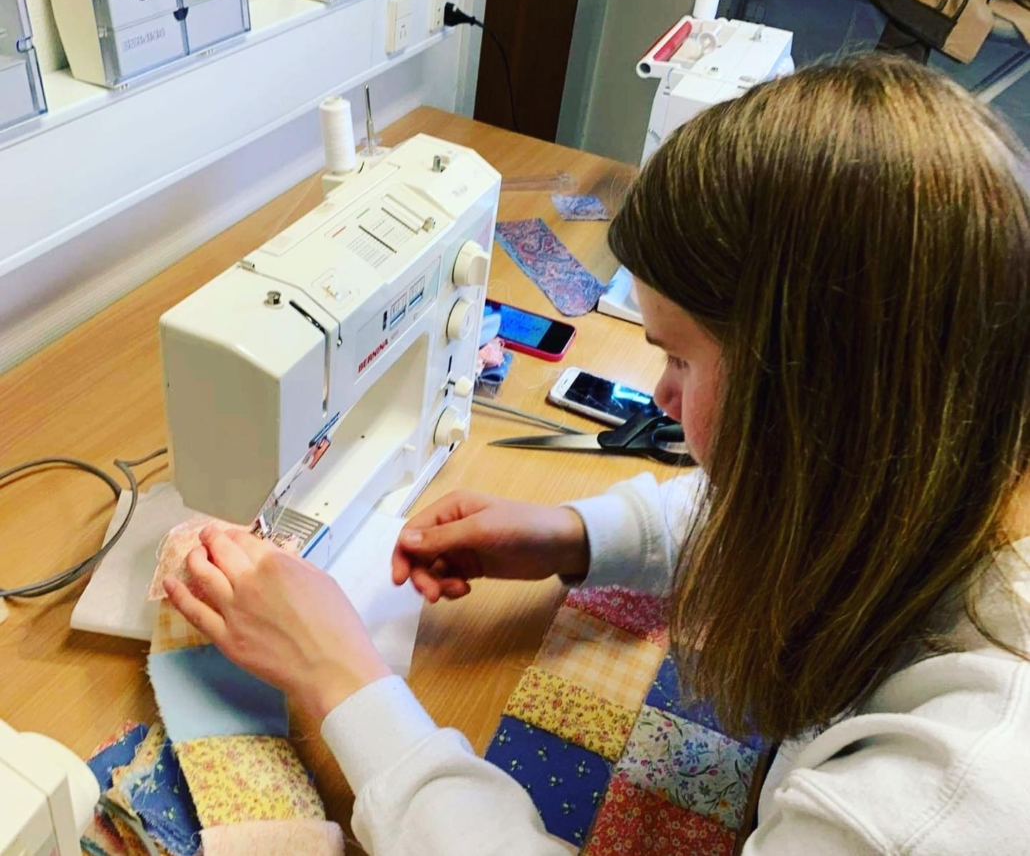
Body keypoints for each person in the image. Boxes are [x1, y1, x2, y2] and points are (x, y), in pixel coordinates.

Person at [165, 56, 1030, 855]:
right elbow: (795, 506)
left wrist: (340, 678)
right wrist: (576, 534)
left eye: (679, 359)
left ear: (821, 393)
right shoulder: (960, 460)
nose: (661, 397)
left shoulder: (936, 808)